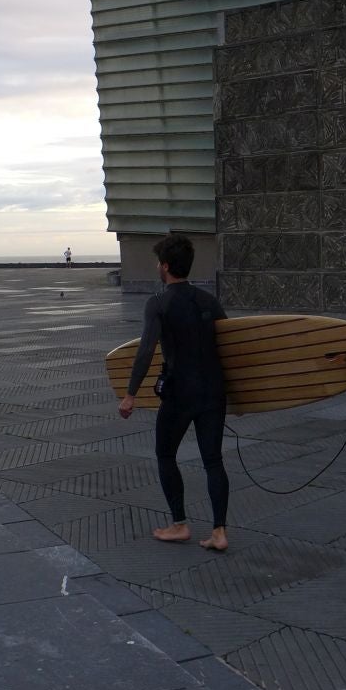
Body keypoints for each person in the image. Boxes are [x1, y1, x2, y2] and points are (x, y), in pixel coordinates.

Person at [119, 234, 229, 552]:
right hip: (212, 391)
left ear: (165, 266)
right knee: (213, 461)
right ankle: (219, 532)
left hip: (180, 392)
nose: (157, 267)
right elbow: (230, 347)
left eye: (158, 262)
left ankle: (179, 524)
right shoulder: (208, 300)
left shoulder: (158, 303)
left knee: (166, 454)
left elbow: (145, 351)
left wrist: (130, 394)